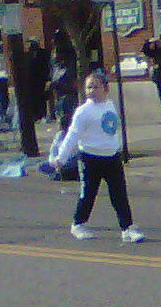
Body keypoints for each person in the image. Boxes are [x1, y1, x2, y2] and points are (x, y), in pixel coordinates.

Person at [50, 71, 145, 243]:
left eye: (96, 86)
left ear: (105, 89)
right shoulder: (83, 111)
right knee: (88, 194)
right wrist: (61, 158)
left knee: (119, 194)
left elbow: (111, 130)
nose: (91, 90)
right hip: (90, 159)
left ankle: (127, 227)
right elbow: (73, 135)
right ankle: (78, 224)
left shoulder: (109, 105)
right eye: (88, 87)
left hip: (112, 158)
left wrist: (118, 147)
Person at [49, 45, 79, 131]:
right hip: (62, 92)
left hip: (66, 92)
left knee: (66, 111)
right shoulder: (59, 66)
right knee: (63, 111)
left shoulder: (65, 66)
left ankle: (65, 128)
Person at [25, 38, 51, 123]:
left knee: (41, 98)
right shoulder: (27, 55)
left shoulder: (43, 53)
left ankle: (42, 115)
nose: (30, 46)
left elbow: (47, 66)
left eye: (32, 44)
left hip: (41, 80)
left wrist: (48, 79)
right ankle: (34, 116)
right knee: (32, 99)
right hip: (30, 81)